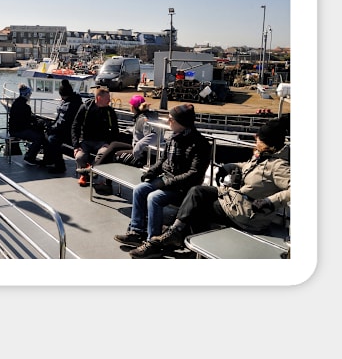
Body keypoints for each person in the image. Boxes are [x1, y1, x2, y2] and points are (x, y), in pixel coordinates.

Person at [150, 116, 290, 254]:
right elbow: (250, 167)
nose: (255, 139)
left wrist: (269, 202)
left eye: (258, 138)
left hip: (248, 216)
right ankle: (176, 234)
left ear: (267, 142)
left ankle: (182, 240)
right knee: (197, 192)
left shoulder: (278, 166)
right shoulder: (263, 157)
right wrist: (230, 166)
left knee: (198, 207)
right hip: (237, 204)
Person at [114, 103, 211, 258]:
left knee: (154, 198)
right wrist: (152, 171)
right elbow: (164, 160)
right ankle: (136, 232)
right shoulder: (173, 137)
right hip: (167, 180)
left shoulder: (200, 144)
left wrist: (166, 183)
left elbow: (194, 174)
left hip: (183, 187)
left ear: (182, 122)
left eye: (171, 119)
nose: (167, 121)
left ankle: (153, 242)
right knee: (140, 189)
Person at [90, 95, 161, 193]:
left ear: (133, 107)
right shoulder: (144, 116)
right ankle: (93, 170)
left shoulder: (143, 119)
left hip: (143, 155)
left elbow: (153, 136)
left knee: (115, 156)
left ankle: (105, 183)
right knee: (114, 144)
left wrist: (138, 147)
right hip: (141, 150)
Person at [71, 86, 120, 186]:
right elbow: (75, 126)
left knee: (103, 155)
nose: (109, 101)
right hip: (86, 141)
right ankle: (89, 172)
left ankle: (87, 172)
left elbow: (115, 130)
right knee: (79, 157)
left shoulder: (109, 112)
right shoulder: (85, 108)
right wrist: (76, 146)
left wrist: (109, 144)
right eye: (107, 99)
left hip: (102, 142)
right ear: (99, 98)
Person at [43, 79, 83, 174]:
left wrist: (52, 128)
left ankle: (60, 166)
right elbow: (60, 119)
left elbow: (64, 122)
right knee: (46, 135)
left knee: (53, 139)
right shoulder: (68, 101)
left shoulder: (71, 104)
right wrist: (51, 126)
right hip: (64, 129)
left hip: (70, 132)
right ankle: (48, 160)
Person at [8, 84, 49, 166]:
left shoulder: (16, 103)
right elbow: (27, 120)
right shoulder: (25, 107)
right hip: (18, 131)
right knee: (38, 137)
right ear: (26, 94)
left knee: (37, 135)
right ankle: (29, 158)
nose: (30, 96)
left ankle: (31, 155)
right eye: (29, 94)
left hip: (14, 129)